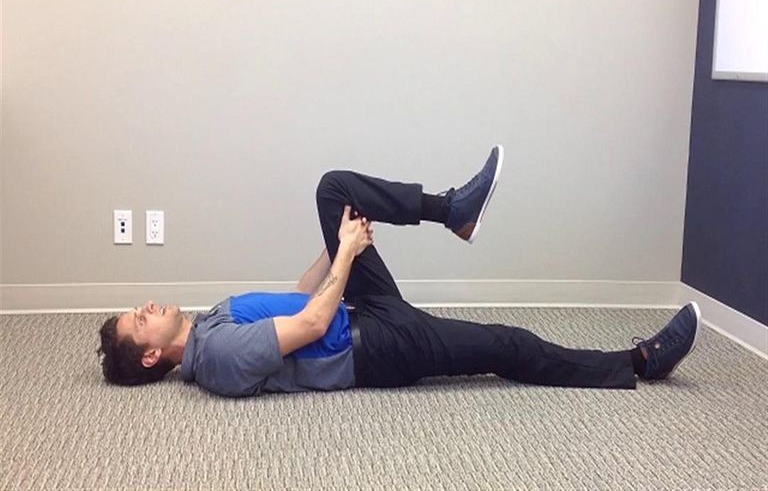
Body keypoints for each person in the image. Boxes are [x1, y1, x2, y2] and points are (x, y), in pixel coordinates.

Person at [97, 146, 701, 397]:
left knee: (333, 189)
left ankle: (452, 211)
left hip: (361, 314)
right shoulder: (218, 359)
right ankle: (638, 364)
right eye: (139, 321)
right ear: (151, 357)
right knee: (505, 345)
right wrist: (346, 254)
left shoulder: (211, 322)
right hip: (380, 347)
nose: (147, 307)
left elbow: (297, 298)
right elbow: (310, 326)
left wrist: (336, 246)